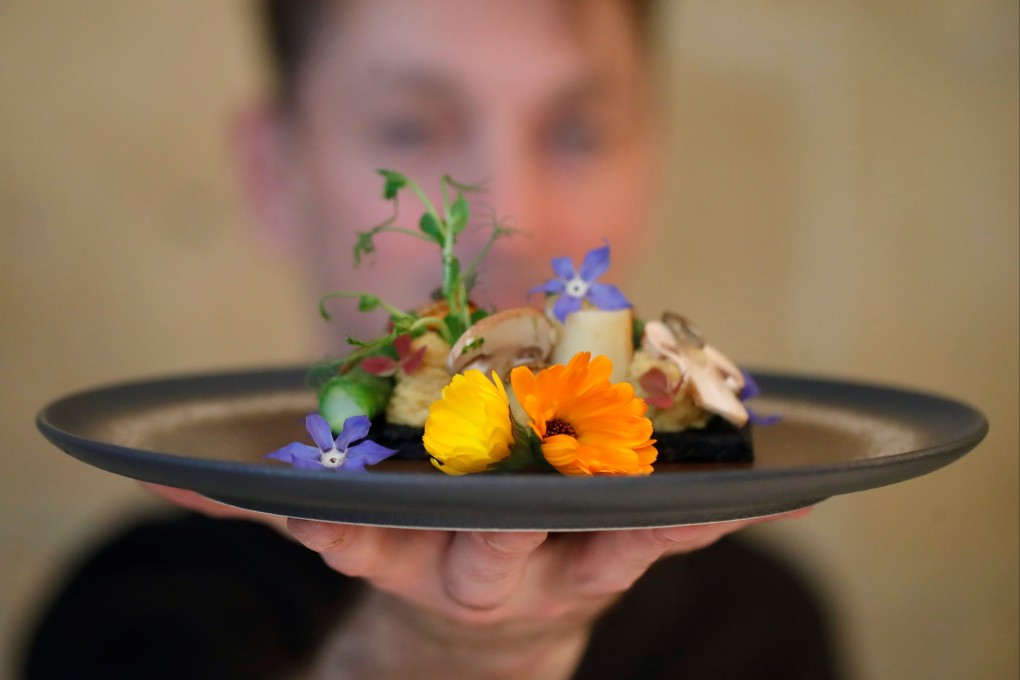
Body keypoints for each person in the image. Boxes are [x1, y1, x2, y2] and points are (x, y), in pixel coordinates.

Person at [22, 1, 842, 678]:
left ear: (650, 160)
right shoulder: (134, 618)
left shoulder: (758, 625)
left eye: (576, 134)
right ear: (276, 174)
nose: (508, 218)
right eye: (411, 129)